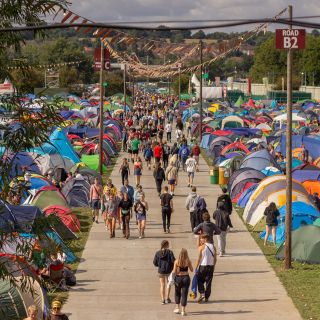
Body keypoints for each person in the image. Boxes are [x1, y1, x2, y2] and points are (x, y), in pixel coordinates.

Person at [195, 234, 217, 303]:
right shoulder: (213, 247)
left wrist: (196, 267)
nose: (201, 240)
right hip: (210, 267)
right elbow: (215, 258)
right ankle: (207, 297)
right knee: (208, 283)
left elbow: (198, 259)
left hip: (203, 267)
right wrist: (213, 266)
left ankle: (202, 293)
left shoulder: (202, 247)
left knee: (199, 280)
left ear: (205, 239)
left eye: (201, 238)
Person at [153, 240, 175, 304]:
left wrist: (159, 265)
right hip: (168, 270)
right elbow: (173, 261)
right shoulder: (170, 252)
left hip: (161, 271)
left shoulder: (157, 253)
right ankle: (167, 298)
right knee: (168, 284)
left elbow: (154, 262)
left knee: (162, 285)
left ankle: (163, 299)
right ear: (167, 245)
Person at [173, 248, 193, 316]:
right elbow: (192, 270)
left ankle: (177, 308)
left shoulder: (176, 261)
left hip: (178, 278)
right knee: (184, 294)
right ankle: (183, 311)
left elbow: (174, 271)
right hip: (186, 278)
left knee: (177, 293)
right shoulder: (188, 261)